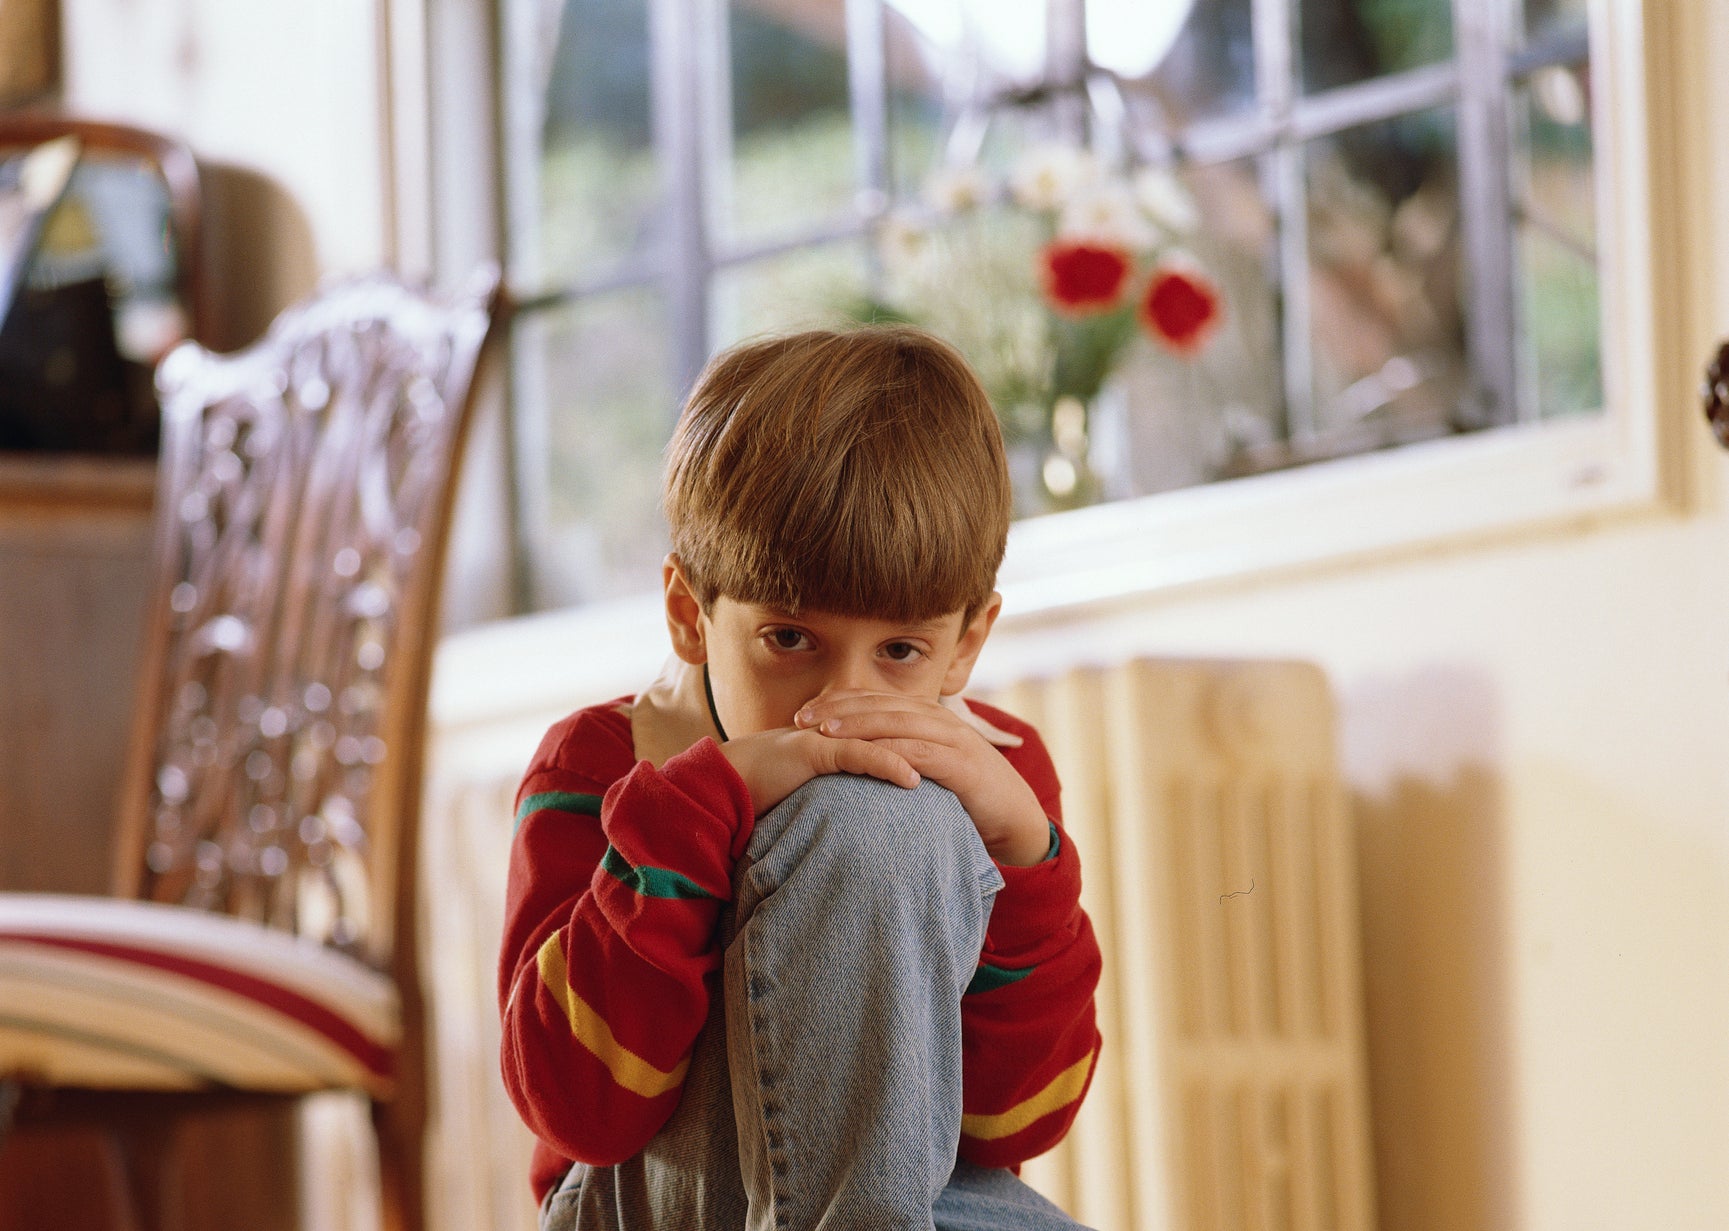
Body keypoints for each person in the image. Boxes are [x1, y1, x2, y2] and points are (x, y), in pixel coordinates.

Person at [498, 325, 1103, 1231]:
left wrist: (1027, 857)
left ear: (967, 644)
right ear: (689, 615)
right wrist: (697, 811)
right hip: (648, 1203)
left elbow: (1007, 1124)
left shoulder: (998, 775)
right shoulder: (605, 762)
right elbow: (578, 1110)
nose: (841, 703)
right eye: (789, 640)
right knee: (867, 822)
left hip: (915, 1202)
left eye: (901, 650)